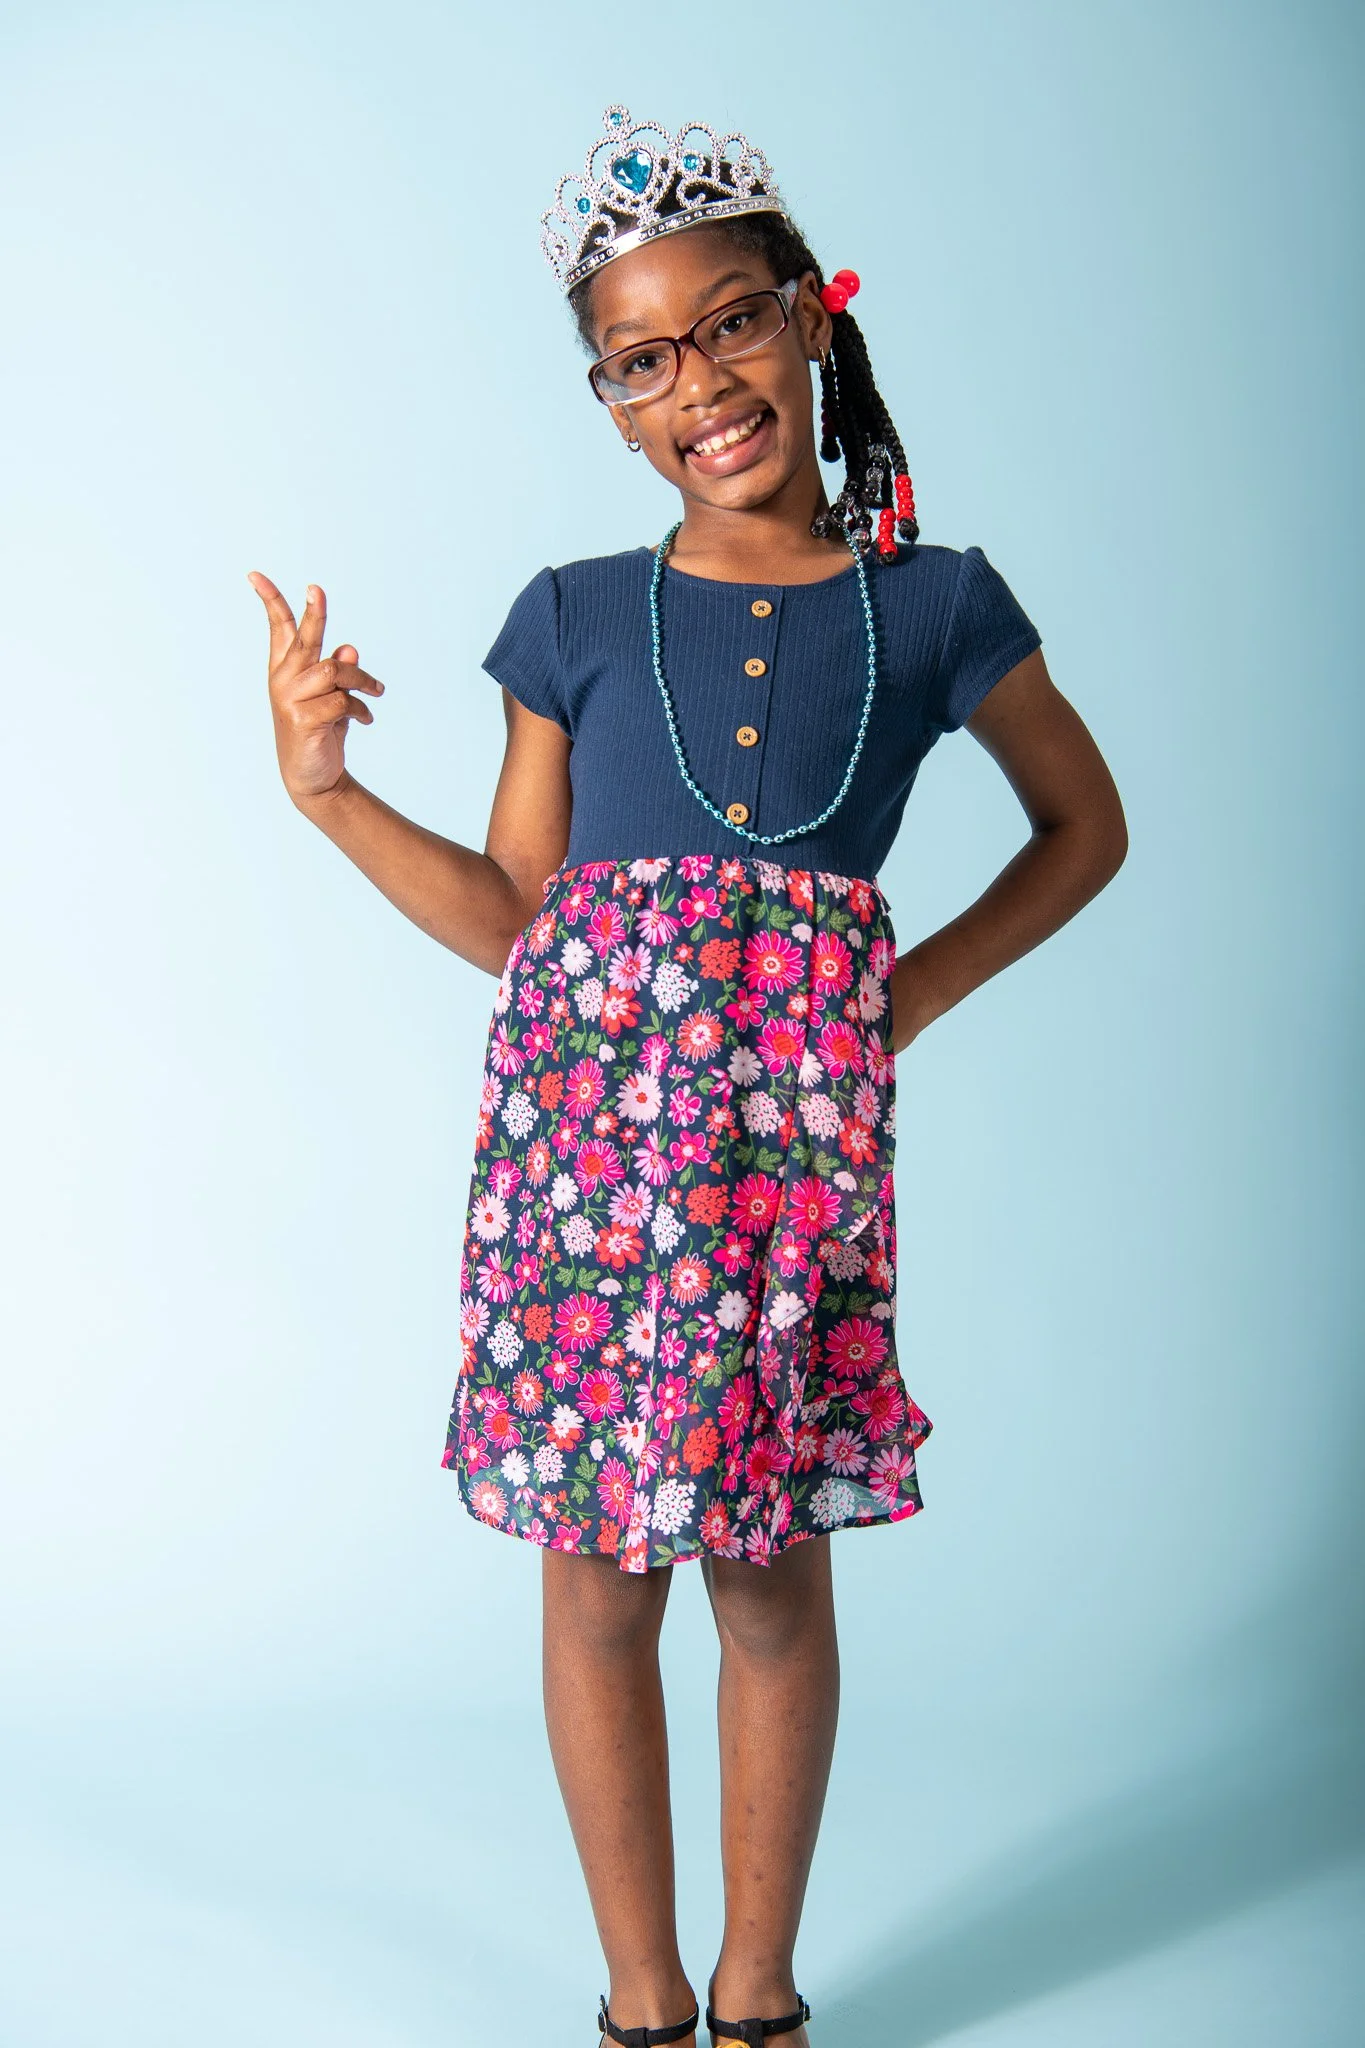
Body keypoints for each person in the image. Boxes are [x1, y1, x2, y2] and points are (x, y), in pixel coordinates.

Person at [248, 104, 1127, 2048]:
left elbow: (1083, 827)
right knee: (592, 1581)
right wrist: (323, 790)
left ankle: (754, 1995)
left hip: (783, 1171)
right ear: (606, 395)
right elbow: (511, 917)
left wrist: (896, 994)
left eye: (728, 326)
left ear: (812, 321)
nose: (697, 382)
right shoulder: (570, 617)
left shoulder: (937, 606)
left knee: (766, 1570)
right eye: (642, 358)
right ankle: (641, 1996)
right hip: (576, 1159)